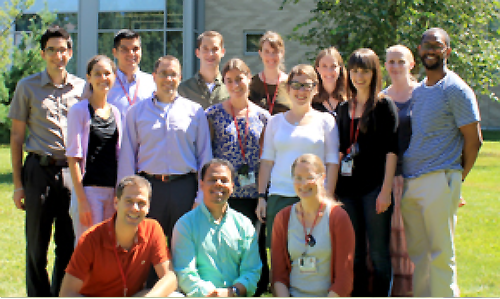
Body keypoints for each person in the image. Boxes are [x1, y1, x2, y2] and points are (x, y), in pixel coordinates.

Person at [401, 28, 482, 297]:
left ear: (447, 51)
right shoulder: (420, 90)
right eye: (426, 45)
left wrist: (458, 178)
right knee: (419, 255)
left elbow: (474, 139)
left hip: (440, 177)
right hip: (413, 181)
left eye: (437, 45)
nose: (430, 50)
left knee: (441, 253)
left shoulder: (456, 89)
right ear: (419, 50)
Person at [8, 26, 85, 297]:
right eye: (51, 50)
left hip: (70, 172)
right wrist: (18, 186)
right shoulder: (26, 87)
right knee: (36, 245)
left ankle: (60, 294)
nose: (57, 55)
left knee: (68, 243)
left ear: (70, 53)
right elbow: (16, 137)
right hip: (38, 171)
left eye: (63, 49)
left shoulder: (81, 88)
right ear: (43, 54)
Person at [118, 55, 212, 245]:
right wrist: (125, 196)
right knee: (147, 246)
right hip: (149, 189)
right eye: (163, 74)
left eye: (173, 74)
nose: (168, 79)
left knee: (185, 245)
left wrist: (201, 196)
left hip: (184, 188)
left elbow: (204, 156)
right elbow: (128, 156)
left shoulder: (195, 112)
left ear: (180, 78)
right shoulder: (136, 112)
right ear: (154, 76)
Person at [335, 48, 398, 297]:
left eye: (364, 71)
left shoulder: (384, 106)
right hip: (347, 192)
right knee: (355, 252)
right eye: (354, 71)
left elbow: (391, 151)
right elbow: (339, 150)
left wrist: (385, 191)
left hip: (374, 190)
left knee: (379, 253)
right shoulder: (342, 108)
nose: (358, 76)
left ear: (374, 73)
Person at [205, 58, 270, 296]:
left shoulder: (263, 117)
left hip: (253, 192)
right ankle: (228, 287)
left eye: (239, 79)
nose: (235, 85)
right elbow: (206, 152)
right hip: (224, 193)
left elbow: (266, 158)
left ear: (249, 78)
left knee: (254, 243)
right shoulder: (212, 114)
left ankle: (257, 288)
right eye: (229, 81)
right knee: (227, 243)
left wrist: (263, 194)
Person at [257, 64, 340, 247]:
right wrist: (262, 197)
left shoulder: (326, 121)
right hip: (280, 196)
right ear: (287, 89)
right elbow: (266, 162)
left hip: (314, 197)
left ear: (315, 89)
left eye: (307, 85)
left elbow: (332, 162)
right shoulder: (275, 122)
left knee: (313, 253)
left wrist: (328, 198)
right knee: (279, 257)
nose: (301, 91)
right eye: (295, 85)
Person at [59, 175, 180, 297]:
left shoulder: (153, 229)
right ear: (116, 202)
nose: (135, 208)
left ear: (148, 207)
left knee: (175, 296)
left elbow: (170, 277)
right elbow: (66, 293)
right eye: (129, 201)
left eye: (141, 203)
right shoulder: (91, 239)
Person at [171, 159, 262, 297]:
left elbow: (251, 270)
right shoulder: (185, 225)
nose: (218, 183)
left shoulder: (244, 225)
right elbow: (185, 272)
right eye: (212, 179)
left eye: (224, 180)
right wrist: (213, 295)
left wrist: (232, 292)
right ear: (201, 184)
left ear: (232, 186)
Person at [271, 154, 355, 297]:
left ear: (322, 178)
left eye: (310, 177)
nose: (303, 184)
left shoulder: (338, 217)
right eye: (298, 178)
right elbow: (278, 276)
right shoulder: (283, 218)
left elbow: (344, 281)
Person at [66, 55, 122, 242]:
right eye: (97, 73)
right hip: (88, 192)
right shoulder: (79, 111)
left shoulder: (116, 113)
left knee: (108, 248)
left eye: (107, 73)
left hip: (111, 193)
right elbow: (73, 158)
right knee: (87, 249)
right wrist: (81, 200)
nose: (103, 78)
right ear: (88, 77)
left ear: (114, 77)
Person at [383, 44, 418, 296]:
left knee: (413, 241)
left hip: (418, 178)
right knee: (391, 242)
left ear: (411, 64)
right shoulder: (381, 98)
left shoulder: (423, 95)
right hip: (388, 179)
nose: (395, 66)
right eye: (391, 62)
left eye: (400, 61)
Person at [107, 29, 156, 120]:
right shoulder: (106, 84)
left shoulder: (152, 82)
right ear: (115, 53)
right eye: (124, 50)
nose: (131, 54)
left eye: (135, 49)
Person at [178, 31, 229, 109]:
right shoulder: (183, 90)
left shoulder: (230, 88)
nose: (210, 54)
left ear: (222, 52)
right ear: (197, 53)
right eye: (205, 49)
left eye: (215, 49)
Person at [249, 31, 291, 115]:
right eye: (267, 51)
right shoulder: (251, 84)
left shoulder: (291, 83)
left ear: (282, 53)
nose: (271, 57)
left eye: (275, 51)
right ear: (260, 53)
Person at [312, 46, 348, 117]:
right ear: (317, 69)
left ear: (340, 68)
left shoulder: (350, 98)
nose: (329, 71)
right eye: (324, 66)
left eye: (333, 66)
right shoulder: (311, 100)